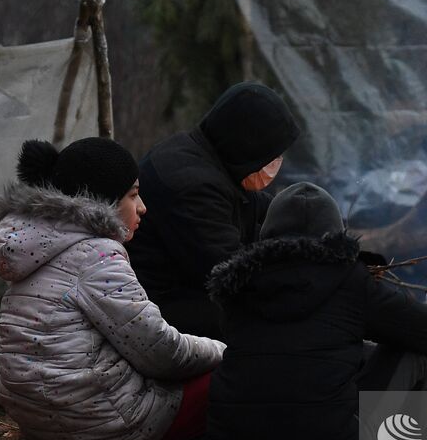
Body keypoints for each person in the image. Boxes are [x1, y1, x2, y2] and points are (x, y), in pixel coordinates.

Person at [204, 182, 427, 440]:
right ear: (336, 233)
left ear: (266, 232)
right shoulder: (349, 280)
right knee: (412, 356)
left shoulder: (235, 287)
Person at [0, 137, 224, 440]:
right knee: (231, 382)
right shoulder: (97, 257)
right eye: (132, 195)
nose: (142, 207)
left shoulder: (33, 246)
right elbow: (160, 353)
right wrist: (223, 351)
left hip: (36, 419)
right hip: (94, 424)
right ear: (104, 201)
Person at [128, 82, 301, 340]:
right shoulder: (191, 184)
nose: (275, 163)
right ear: (248, 143)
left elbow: (260, 210)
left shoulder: (206, 157)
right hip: (162, 312)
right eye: (271, 155)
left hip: (186, 293)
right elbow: (234, 272)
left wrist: (311, 215)